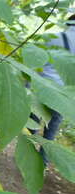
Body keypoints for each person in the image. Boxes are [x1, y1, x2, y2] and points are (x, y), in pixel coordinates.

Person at [31, 13, 75, 164]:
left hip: (42, 88)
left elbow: (36, 63)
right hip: (64, 95)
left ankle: (28, 159)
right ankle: (42, 163)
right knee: (50, 133)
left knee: (32, 126)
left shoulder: (52, 37)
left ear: (68, 23)